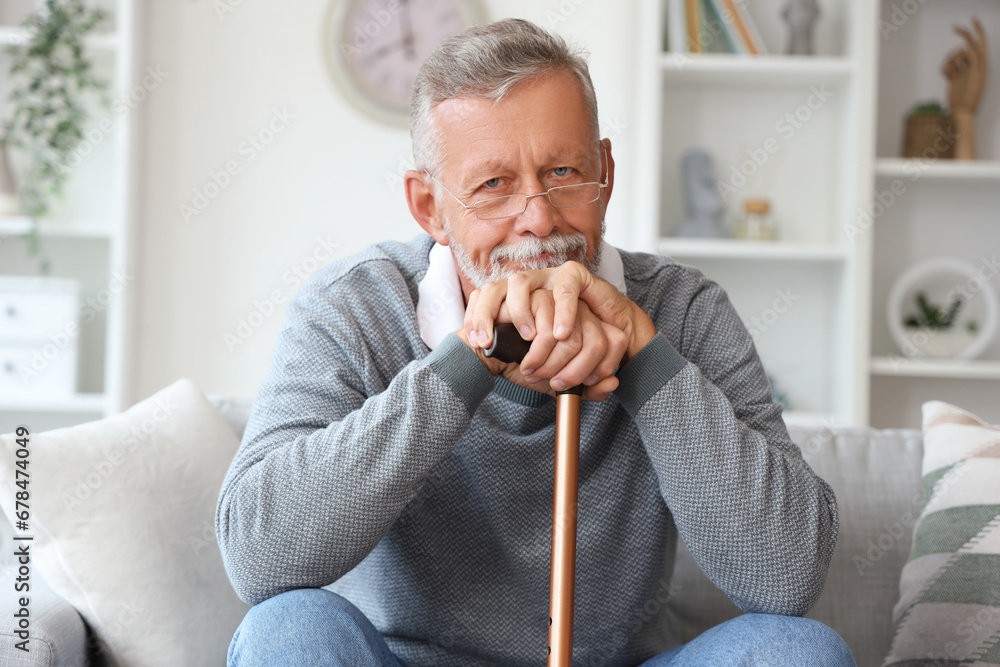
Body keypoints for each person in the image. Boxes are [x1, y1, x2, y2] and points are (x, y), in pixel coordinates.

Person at [217, 18, 855, 667]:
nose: (540, 217)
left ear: (604, 173)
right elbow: (259, 557)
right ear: (430, 207)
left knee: (798, 650)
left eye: (562, 170)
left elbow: (786, 577)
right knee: (289, 631)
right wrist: (464, 364)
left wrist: (643, 355)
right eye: (493, 185)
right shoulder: (352, 308)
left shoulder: (685, 309)